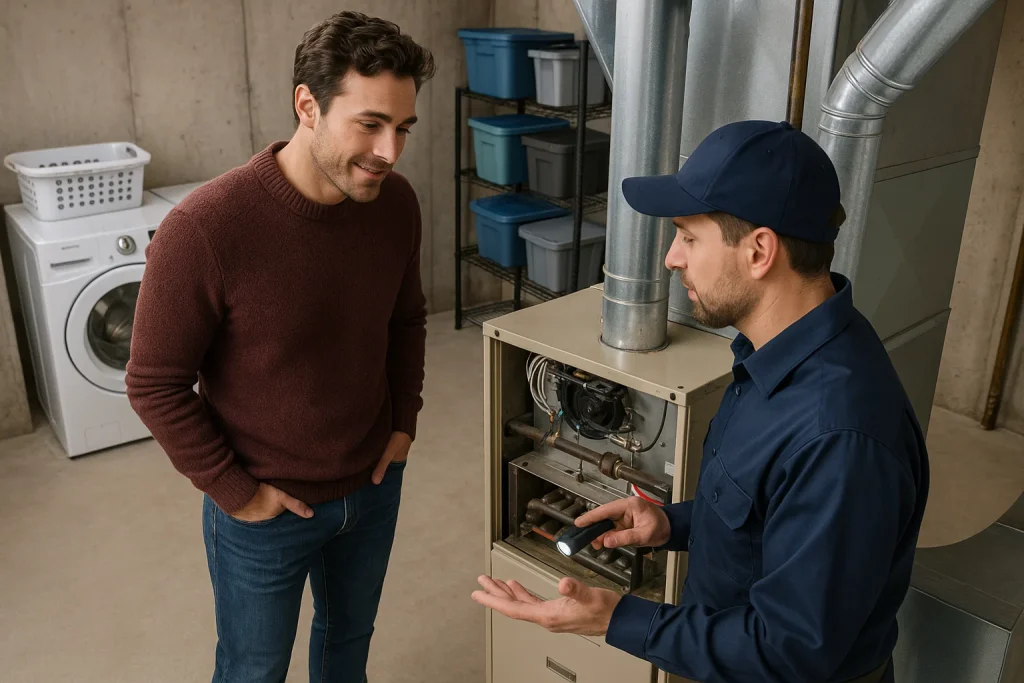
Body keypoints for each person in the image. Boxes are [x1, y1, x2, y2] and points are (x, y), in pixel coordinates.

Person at [471, 120, 929, 683]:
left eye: (689, 236)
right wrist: (672, 525)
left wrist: (616, 618)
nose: (670, 257)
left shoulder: (840, 436)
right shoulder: (776, 353)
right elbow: (766, 517)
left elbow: (790, 653)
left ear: (760, 250)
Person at [127, 11, 434, 683]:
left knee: (347, 645)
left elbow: (406, 320)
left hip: (374, 484)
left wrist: (403, 424)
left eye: (403, 128)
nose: (391, 151)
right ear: (308, 106)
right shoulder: (205, 229)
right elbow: (153, 381)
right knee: (252, 669)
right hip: (265, 510)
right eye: (371, 124)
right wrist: (234, 491)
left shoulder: (396, 205)